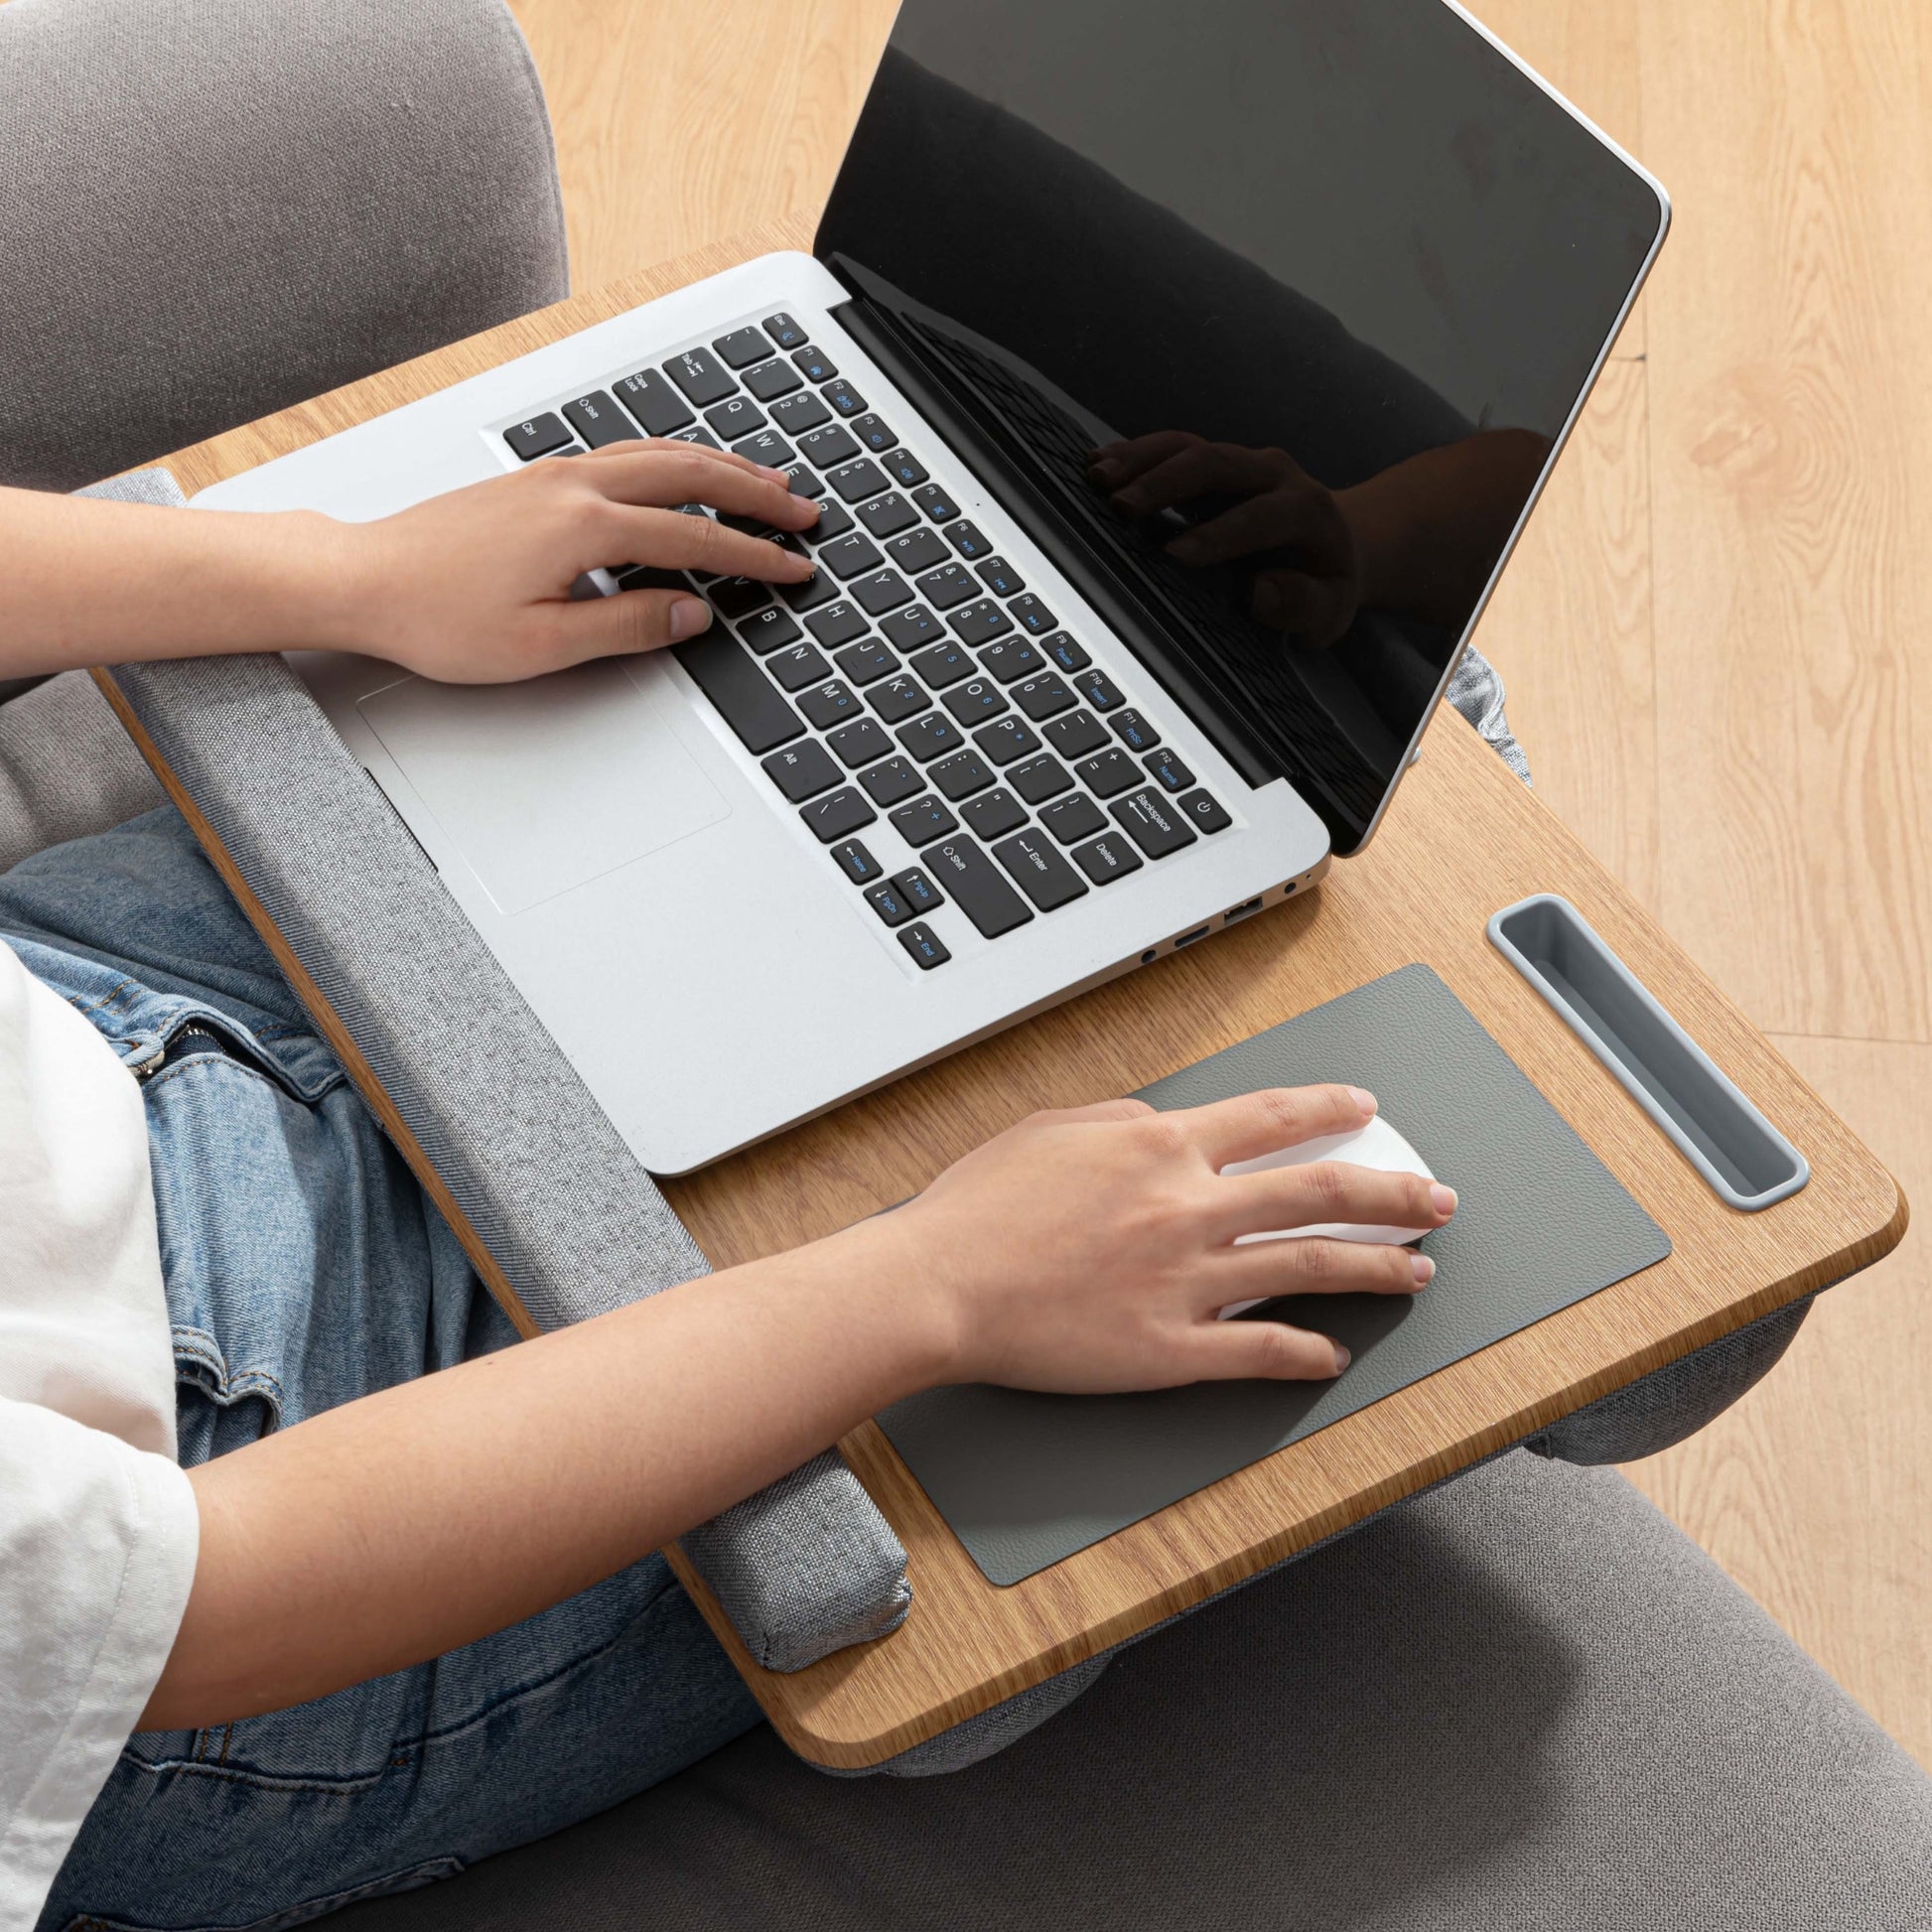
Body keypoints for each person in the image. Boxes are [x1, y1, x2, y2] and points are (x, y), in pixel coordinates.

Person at [0, 440, 1456, 1932]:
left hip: (69, 1005)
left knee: (898, 717)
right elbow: (191, 1600)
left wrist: (347, 568)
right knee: (1347, 1159)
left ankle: (1359, 673)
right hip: (207, 1578)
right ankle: (1439, 724)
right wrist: (935, 1281)